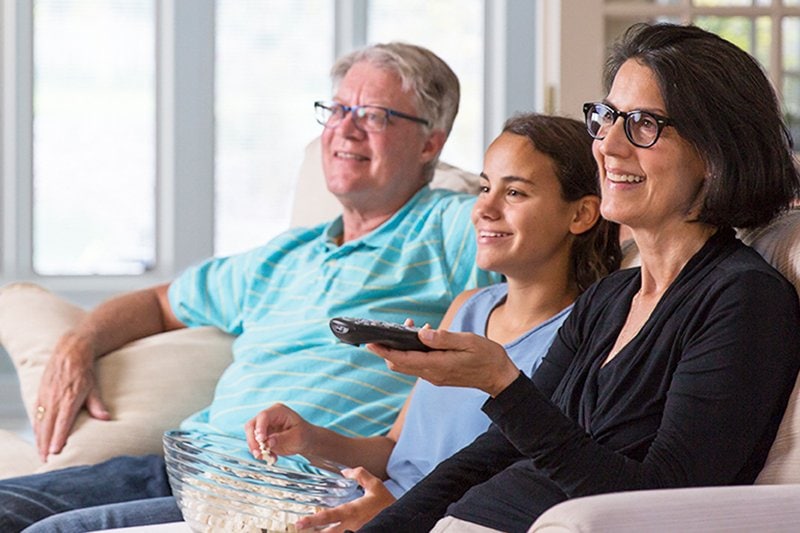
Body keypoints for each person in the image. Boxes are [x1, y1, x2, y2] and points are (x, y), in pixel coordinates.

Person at [0, 42, 499, 532]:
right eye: (337, 109)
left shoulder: (454, 228)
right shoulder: (283, 255)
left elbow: (537, 255)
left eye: (373, 115)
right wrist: (78, 344)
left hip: (293, 486)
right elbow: (157, 303)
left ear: (431, 140)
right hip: (182, 468)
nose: (344, 130)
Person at [361, 23, 800, 532]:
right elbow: (489, 455)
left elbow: (662, 501)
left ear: (714, 151)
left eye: (642, 123)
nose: (608, 145)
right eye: (607, 117)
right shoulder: (611, 297)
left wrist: (503, 384)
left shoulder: (743, 300)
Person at [242, 113, 622, 532]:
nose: (484, 209)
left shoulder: (585, 336)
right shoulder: (468, 307)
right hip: (357, 510)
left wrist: (398, 514)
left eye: (514, 192)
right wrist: (309, 439)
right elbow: (393, 452)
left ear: (582, 214)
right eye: (484, 188)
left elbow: (523, 491)